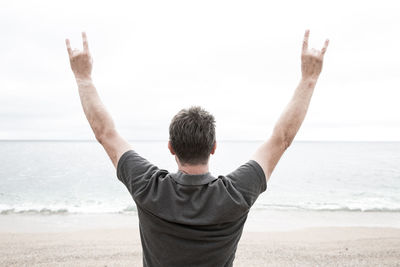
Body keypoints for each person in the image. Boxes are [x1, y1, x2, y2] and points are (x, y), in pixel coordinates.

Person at [65, 30, 328, 267]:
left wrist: (83, 78)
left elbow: (105, 134)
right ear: (213, 147)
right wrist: (309, 79)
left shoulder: (149, 187)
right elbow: (281, 138)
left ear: (171, 147)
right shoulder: (235, 194)